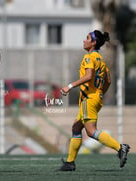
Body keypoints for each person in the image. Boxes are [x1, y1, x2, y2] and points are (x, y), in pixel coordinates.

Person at [56, 30, 130, 171]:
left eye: (87, 38)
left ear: (94, 42)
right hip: (95, 98)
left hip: (88, 99)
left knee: (91, 132)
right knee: (76, 128)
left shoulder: (89, 58)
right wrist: (100, 93)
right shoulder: (100, 59)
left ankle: (120, 148)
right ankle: (70, 162)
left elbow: (89, 76)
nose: (84, 40)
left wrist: (69, 86)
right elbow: (108, 80)